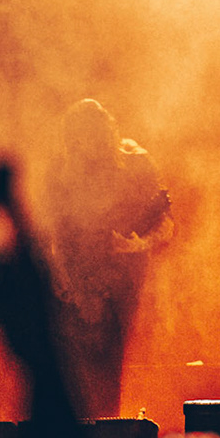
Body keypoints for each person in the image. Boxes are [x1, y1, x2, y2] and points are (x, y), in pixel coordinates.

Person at [44, 99, 173, 418]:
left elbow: (166, 224)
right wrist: (63, 280)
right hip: (74, 284)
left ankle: (110, 434)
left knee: (110, 368)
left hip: (121, 284)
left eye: (90, 137)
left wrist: (138, 244)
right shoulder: (60, 171)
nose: (84, 147)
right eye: (76, 140)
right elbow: (51, 235)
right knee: (69, 375)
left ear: (105, 134)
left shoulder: (136, 164)